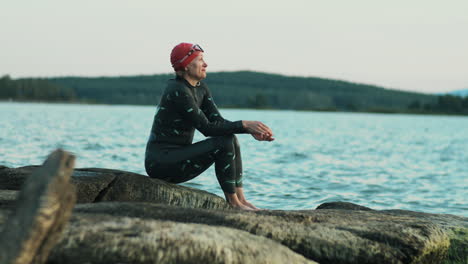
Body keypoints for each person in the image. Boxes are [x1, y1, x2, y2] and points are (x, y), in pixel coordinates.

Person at [145, 43, 274, 210]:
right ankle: (233, 203)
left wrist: (249, 130)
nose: (205, 64)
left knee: (230, 139)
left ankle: (241, 199)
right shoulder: (177, 90)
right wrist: (245, 125)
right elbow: (207, 128)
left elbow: (217, 122)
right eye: (199, 60)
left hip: (178, 157)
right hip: (160, 163)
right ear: (185, 65)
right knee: (223, 143)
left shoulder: (201, 89)